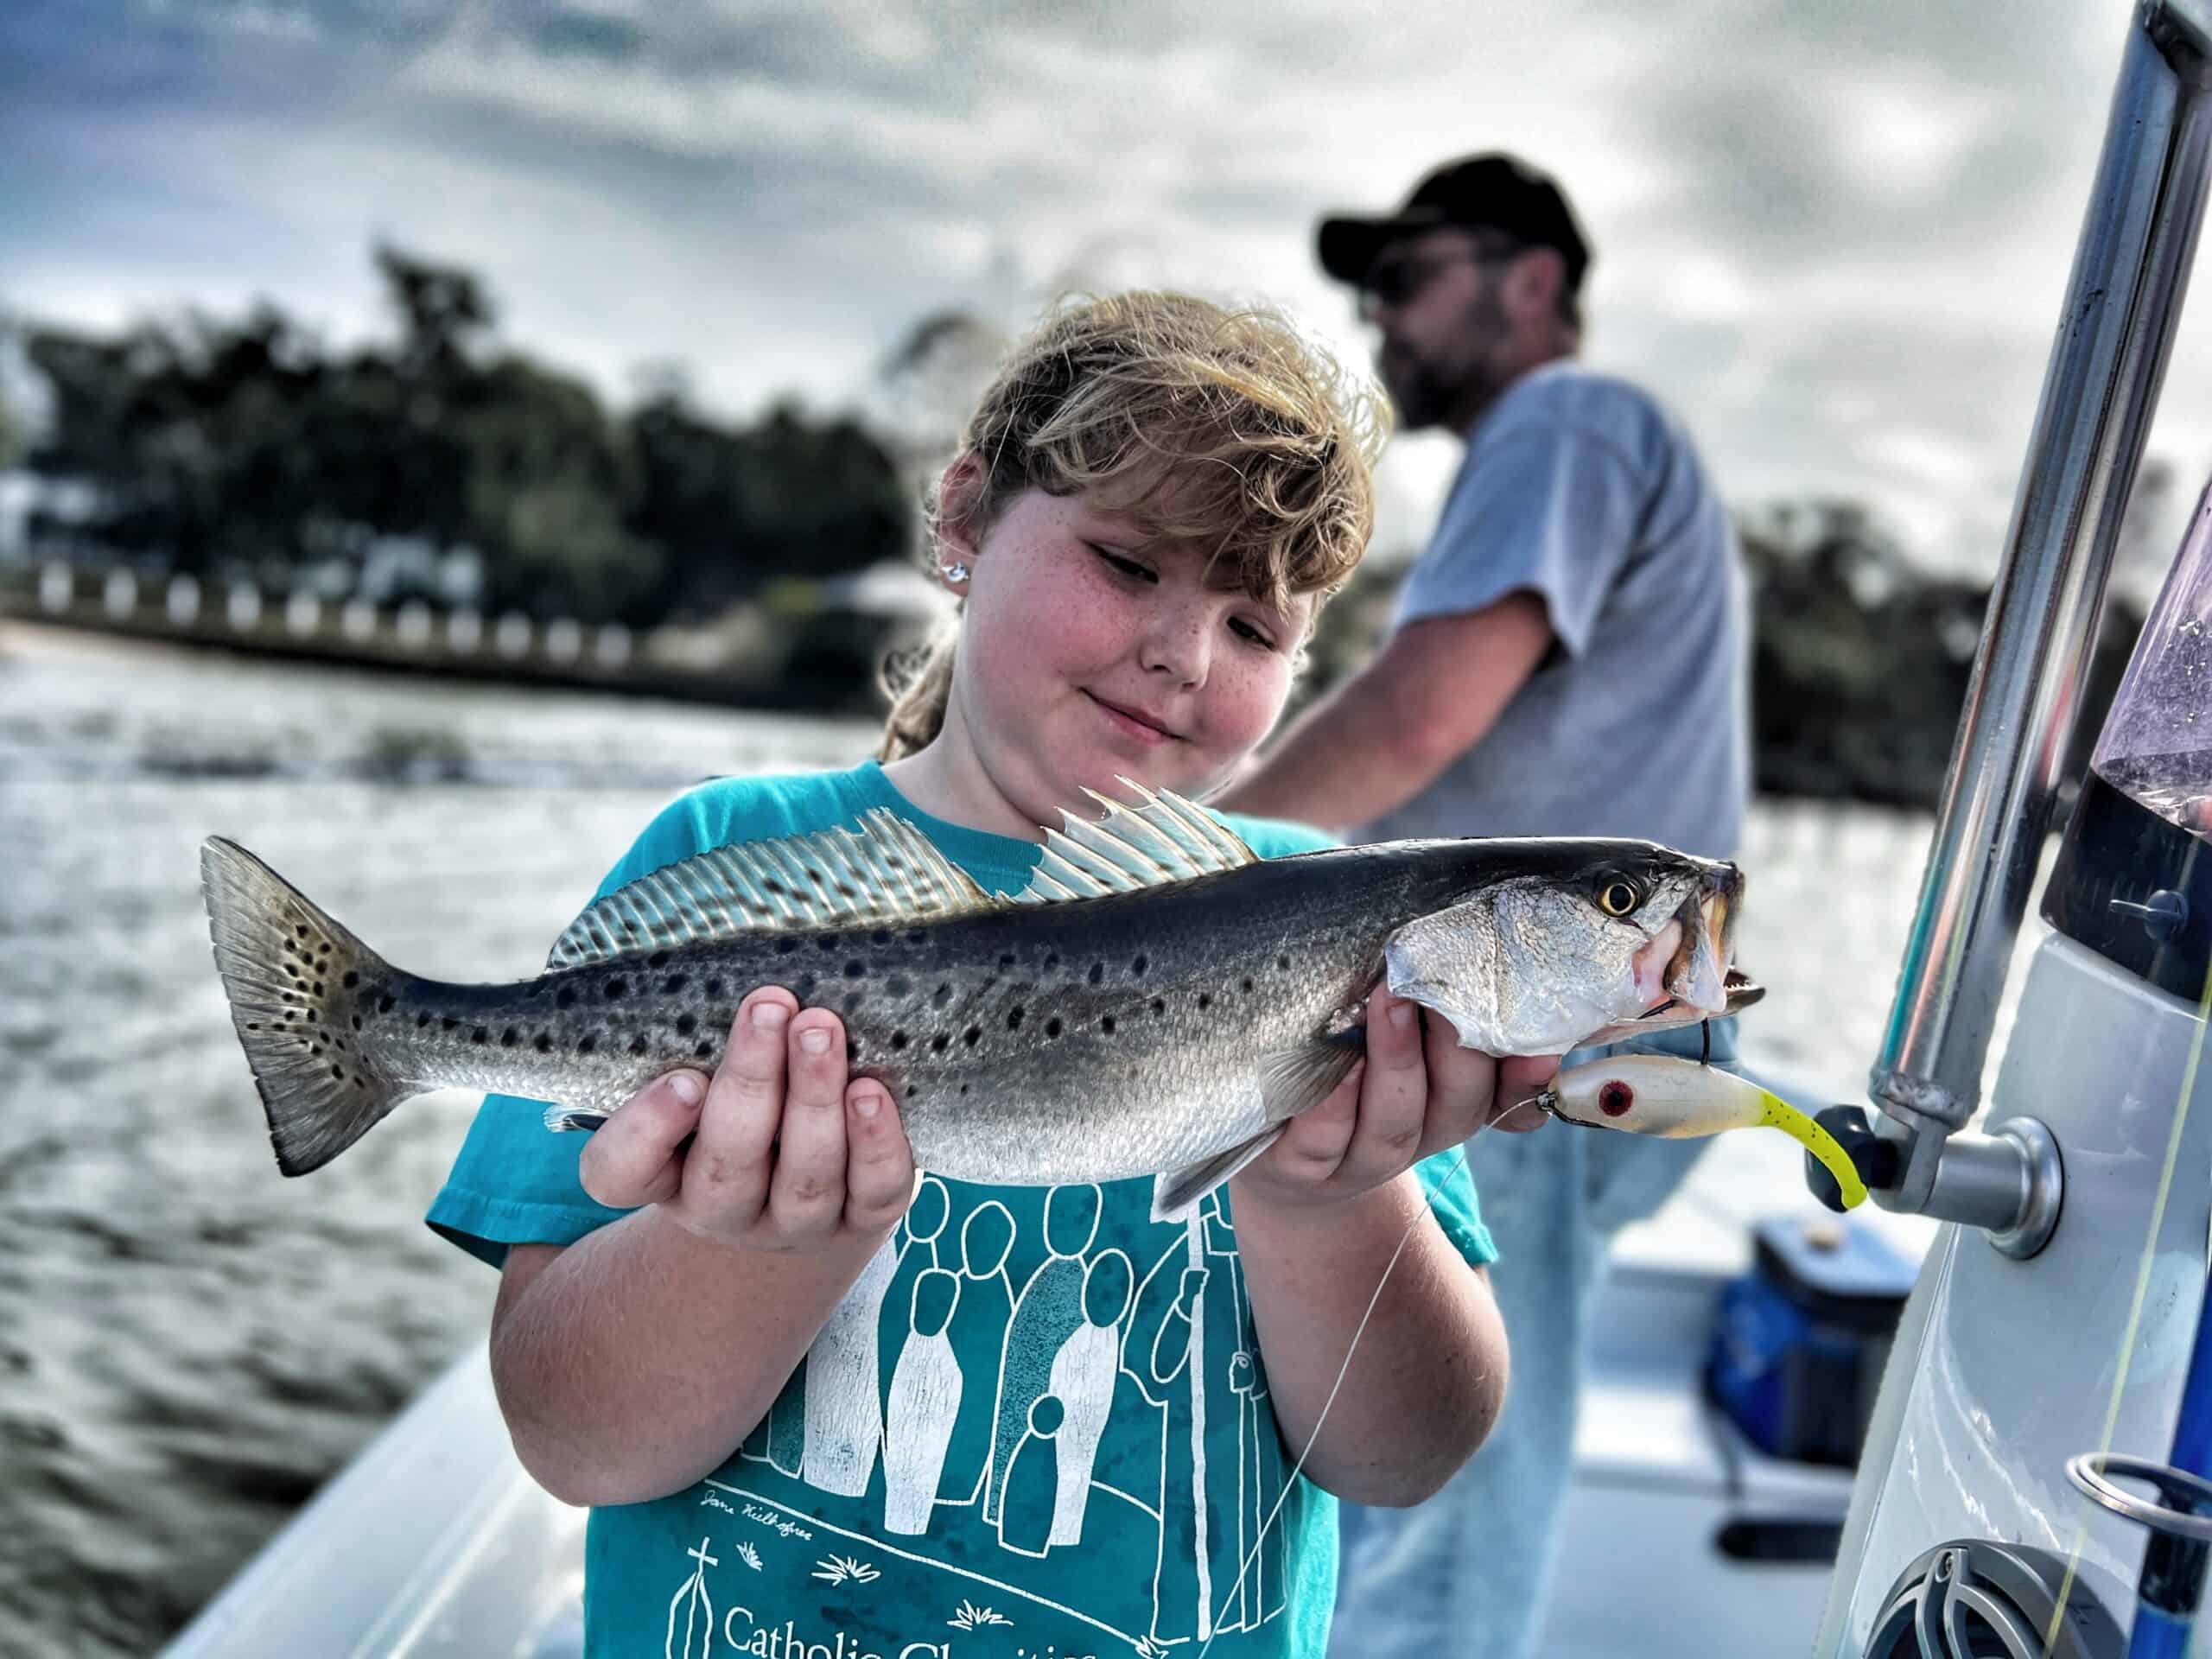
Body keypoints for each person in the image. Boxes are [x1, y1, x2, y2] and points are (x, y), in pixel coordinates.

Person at [424, 292, 1554, 1659]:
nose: (1183, 655)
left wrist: (1329, 1203)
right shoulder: (721, 853)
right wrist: (755, 1245)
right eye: (1129, 563)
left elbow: (1406, 1456)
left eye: (1256, 629)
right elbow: (571, 1438)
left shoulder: (1326, 925)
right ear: (963, 521)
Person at [1216, 155, 1751, 1659]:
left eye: (1405, 276)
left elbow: (1412, 722)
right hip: (1580, 1022)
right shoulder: (1601, 448)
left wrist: (1190, 865)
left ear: (1532, 282)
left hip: (1523, 1024)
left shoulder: (1566, 420)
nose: (1376, 315)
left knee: (1434, 1530)